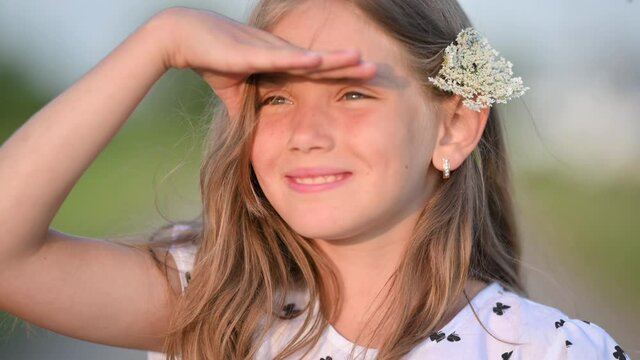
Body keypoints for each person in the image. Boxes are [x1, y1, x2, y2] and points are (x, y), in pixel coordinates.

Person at [0, 0, 630, 359]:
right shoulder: (212, 299)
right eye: (276, 99)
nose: (306, 133)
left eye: (352, 93)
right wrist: (159, 41)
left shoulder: (551, 350)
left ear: (454, 128)